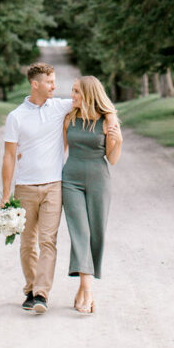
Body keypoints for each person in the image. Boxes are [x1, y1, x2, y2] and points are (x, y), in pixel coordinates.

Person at [1, 62, 72, 315]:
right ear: (35, 84)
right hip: (25, 188)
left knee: (48, 241)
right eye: (50, 82)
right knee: (27, 243)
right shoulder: (16, 116)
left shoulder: (59, 106)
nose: (55, 86)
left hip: (54, 185)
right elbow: (9, 156)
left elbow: (89, 101)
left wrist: (111, 122)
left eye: (54, 81)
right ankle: (31, 289)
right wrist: (5, 192)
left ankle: (41, 293)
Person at [61, 75, 123, 314]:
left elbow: (113, 159)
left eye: (76, 91)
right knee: (80, 233)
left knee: (95, 233)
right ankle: (88, 291)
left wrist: (117, 141)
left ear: (88, 94)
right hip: (71, 181)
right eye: (72, 90)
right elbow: (59, 150)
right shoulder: (69, 118)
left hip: (99, 181)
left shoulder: (108, 121)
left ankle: (81, 289)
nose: (72, 95)